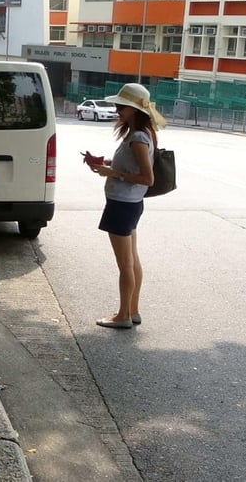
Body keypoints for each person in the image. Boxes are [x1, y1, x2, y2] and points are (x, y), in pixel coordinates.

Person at [86, 83, 167, 329]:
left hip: (122, 205)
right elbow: (132, 167)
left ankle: (122, 316)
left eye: (123, 106)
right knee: (132, 259)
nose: (117, 109)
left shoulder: (139, 137)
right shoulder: (138, 134)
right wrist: (107, 164)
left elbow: (147, 178)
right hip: (128, 204)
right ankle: (132, 310)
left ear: (135, 110)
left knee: (125, 264)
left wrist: (114, 173)